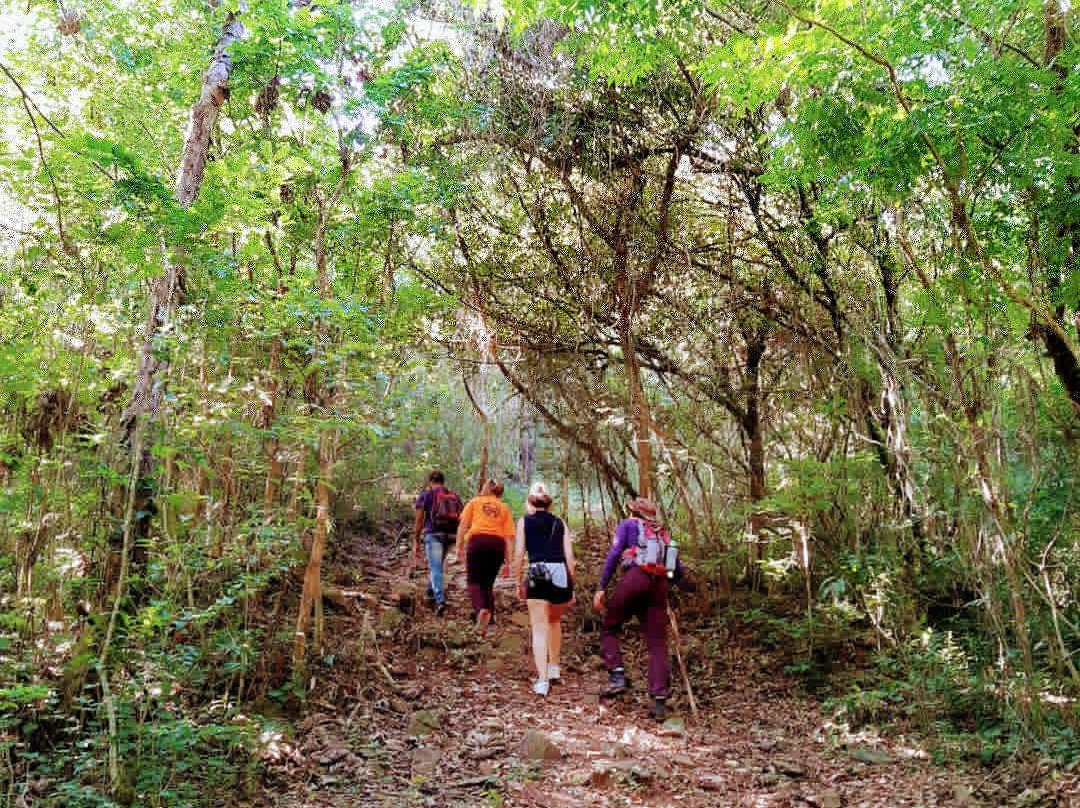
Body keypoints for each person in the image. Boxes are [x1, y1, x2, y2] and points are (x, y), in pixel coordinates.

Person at [593, 496, 685, 721]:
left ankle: (617, 676)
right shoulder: (662, 534)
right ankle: (659, 701)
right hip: (659, 586)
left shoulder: (627, 525)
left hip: (634, 579)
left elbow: (614, 555)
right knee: (657, 644)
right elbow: (679, 571)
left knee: (610, 626)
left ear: (633, 513)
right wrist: (663, 585)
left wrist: (602, 587)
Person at [511, 482, 575, 697]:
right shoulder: (560, 523)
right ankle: (554, 666)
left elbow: (519, 554)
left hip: (537, 572)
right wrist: (571, 586)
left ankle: (542, 680)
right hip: (559, 573)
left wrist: (517, 579)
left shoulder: (524, 522)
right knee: (554, 621)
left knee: (539, 628)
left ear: (530, 502)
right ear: (550, 504)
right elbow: (570, 558)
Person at [453, 479, 515, 633]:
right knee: (488, 583)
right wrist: (509, 563)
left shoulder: (474, 502)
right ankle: (490, 621)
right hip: (497, 545)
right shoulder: (504, 508)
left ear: (485, 488)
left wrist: (459, 547)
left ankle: (481, 611)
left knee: (473, 582)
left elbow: (462, 526)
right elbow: (509, 538)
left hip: (478, 541)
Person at [413, 470, 462, 617]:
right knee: (438, 566)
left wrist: (416, 539)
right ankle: (430, 592)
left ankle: (440, 601)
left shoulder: (426, 495)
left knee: (435, 568)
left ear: (430, 481)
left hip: (433, 534)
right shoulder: (454, 496)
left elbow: (419, 521)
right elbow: (462, 517)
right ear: (443, 481)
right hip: (450, 536)